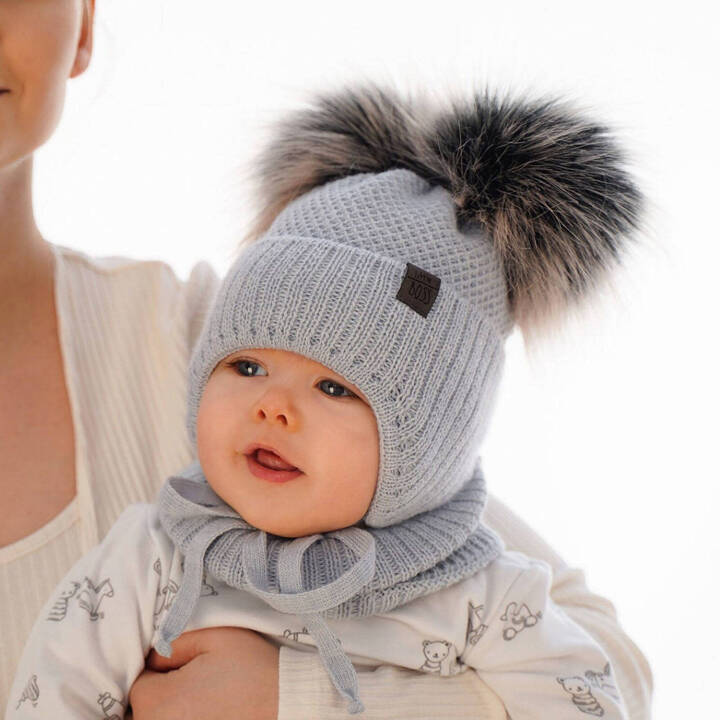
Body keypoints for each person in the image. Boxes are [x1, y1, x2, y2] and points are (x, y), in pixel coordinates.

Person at [0, 1, 653, 719]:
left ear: (84, 22)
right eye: (248, 371)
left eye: (335, 388)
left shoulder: (203, 337)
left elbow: (607, 679)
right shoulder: (158, 550)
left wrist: (292, 699)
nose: (274, 403)